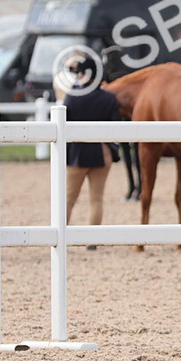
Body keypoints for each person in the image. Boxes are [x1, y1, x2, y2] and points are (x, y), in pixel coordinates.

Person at [62, 56, 121, 248]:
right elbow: (116, 128)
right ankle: (91, 241)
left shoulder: (72, 96)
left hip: (77, 153)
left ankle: (61, 236)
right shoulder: (109, 98)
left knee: (68, 199)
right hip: (101, 151)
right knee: (96, 199)